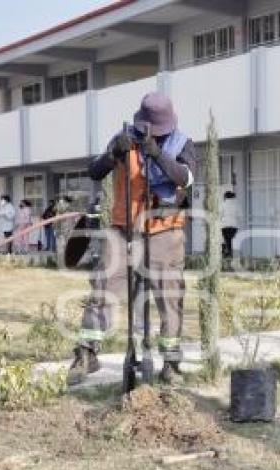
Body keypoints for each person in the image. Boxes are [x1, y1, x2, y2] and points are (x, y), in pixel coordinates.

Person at [68, 91, 197, 385]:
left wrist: (158, 154)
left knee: (170, 296)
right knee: (104, 286)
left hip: (164, 229)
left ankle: (171, 363)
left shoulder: (182, 143)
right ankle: (87, 353)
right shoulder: (124, 138)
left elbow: (185, 178)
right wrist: (115, 153)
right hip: (123, 227)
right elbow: (94, 171)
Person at [221, 191, 239, 258]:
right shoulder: (237, 204)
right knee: (229, 240)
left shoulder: (223, 204)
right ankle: (228, 252)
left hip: (225, 225)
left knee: (227, 239)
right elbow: (240, 215)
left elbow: (219, 214)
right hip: (234, 226)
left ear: (225, 197)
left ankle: (228, 253)